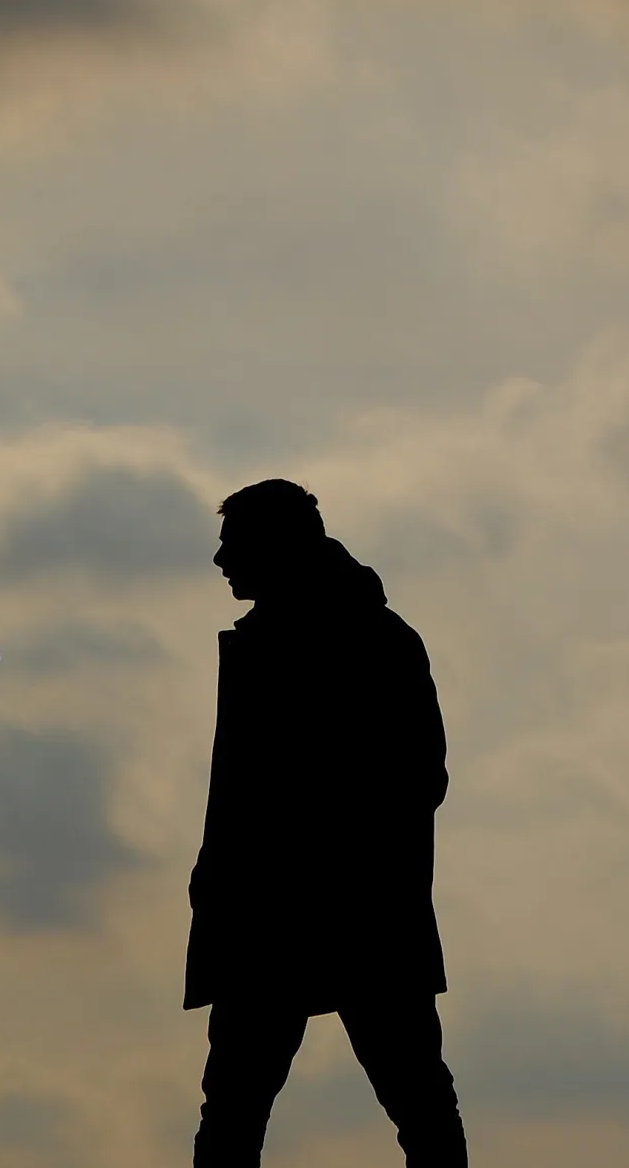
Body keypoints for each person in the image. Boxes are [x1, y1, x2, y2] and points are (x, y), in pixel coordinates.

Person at [183, 479, 466, 1167]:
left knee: (405, 1100)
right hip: (313, 913)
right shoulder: (359, 637)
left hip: (330, 913)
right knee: (245, 1107)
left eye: (233, 545)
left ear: (274, 547)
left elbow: (416, 778)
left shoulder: (369, 641)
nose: (220, 561)